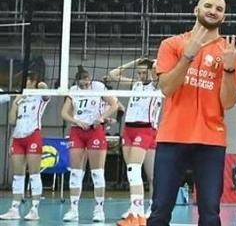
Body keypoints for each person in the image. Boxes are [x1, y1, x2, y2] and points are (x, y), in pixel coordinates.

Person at [148, 0, 236, 226]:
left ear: (224, 16)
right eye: (208, 6)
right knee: (160, 211)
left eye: (219, 9)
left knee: (210, 214)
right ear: (196, 10)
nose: (213, 11)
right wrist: (188, 56)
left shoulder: (233, 54)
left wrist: (229, 69)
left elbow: (228, 102)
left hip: (211, 140)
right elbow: (167, 88)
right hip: (173, 137)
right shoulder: (172, 44)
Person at [106, 58, 164, 224]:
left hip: (146, 130)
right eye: (139, 72)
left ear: (151, 72)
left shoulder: (157, 85)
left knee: (145, 174)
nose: (141, 75)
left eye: (144, 72)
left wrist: (155, 64)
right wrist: (135, 62)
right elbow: (112, 75)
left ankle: (145, 209)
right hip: (129, 130)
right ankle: (135, 207)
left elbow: (160, 72)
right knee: (134, 172)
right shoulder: (136, 85)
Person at [61, 67, 119, 223]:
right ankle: (73, 209)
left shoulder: (98, 87)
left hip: (95, 131)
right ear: (77, 81)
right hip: (77, 131)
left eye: (87, 82)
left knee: (97, 172)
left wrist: (102, 118)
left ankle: (99, 210)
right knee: (75, 172)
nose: (85, 85)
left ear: (90, 79)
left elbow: (114, 105)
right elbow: (64, 113)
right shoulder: (73, 90)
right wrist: (76, 121)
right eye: (82, 83)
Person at [1, 72, 50, 221]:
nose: (23, 82)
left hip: (33, 135)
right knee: (17, 176)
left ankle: (34, 209)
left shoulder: (40, 95)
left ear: (32, 81)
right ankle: (14, 209)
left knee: (34, 174)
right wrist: (16, 102)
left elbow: (46, 90)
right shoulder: (20, 97)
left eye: (26, 80)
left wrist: (38, 84)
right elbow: (12, 120)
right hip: (18, 137)